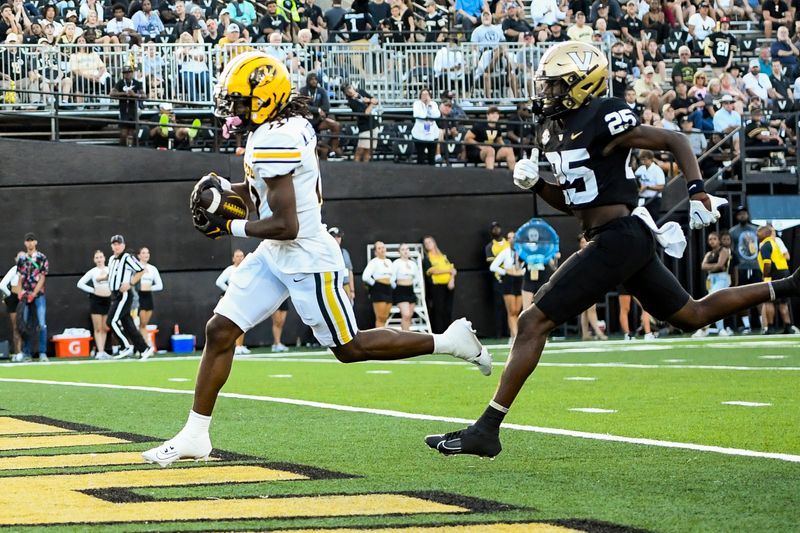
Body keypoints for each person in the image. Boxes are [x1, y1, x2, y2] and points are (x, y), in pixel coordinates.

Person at [426, 40, 800, 458]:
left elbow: (675, 140)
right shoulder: (551, 129)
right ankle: (789, 286)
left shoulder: (604, 114)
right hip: (611, 238)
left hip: (619, 236)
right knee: (692, 315)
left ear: (582, 85)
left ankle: (487, 429)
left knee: (532, 321)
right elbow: (572, 202)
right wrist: (538, 185)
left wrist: (697, 191)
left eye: (555, 86)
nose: (546, 93)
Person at [143, 51, 491, 467]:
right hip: (275, 254)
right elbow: (264, 192)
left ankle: (448, 341)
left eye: (239, 101)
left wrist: (229, 227)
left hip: (306, 256)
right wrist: (229, 193)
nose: (233, 110)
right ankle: (195, 434)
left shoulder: (275, 138)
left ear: (264, 99)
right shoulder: (278, 126)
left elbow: (285, 223)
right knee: (220, 330)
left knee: (350, 347)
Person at [107, 234, 153, 360]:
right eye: (114, 244)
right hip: (115, 295)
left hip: (124, 295)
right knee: (128, 324)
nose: (116, 246)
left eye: (118, 244)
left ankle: (125, 346)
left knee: (111, 321)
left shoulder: (127, 257)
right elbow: (112, 275)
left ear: (123, 245)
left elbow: (141, 270)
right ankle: (144, 349)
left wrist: (131, 283)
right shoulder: (111, 259)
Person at [757, 225, 799, 334]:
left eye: (759, 232)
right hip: (784, 272)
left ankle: (770, 327)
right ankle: (788, 326)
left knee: (769, 301)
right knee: (783, 302)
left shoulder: (766, 244)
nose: (757, 234)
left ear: (766, 233)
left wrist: (765, 275)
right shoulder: (775, 243)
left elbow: (767, 263)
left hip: (774, 274)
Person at [16, 233, 49, 362]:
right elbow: (19, 277)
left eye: (32, 241)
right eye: (27, 241)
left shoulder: (42, 258)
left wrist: (34, 293)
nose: (30, 243)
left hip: (38, 294)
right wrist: (20, 292)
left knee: (41, 323)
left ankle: (42, 353)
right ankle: (26, 352)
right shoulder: (22, 259)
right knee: (24, 324)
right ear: (25, 243)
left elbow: (42, 277)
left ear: (35, 242)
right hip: (24, 294)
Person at [728, 205, 761, 334]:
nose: (742, 216)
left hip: (756, 266)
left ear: (748, 215)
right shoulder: (732, 231)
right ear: (737, 216)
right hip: (740, 267)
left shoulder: (756, 229)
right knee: (743, 297)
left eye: (744, 213)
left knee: (760, 295)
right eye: (740, 214)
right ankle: (746, 325)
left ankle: (764, 323)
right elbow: (731, 250)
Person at [692, 232, 732, 337]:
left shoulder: (724, 250)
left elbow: (720, 265)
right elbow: (703, 266)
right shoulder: (709, 254)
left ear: (719, 240)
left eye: (714, 239)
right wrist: (715, 266)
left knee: (714, 302)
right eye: (710, 239)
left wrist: (711, 266)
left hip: (722, 278)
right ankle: (713, 329)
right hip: (711, 279)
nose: (712, 241)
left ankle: (712, 328)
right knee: (714, 304)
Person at [76, 250, 112, 359]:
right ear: (94, 260)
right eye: (97, 257)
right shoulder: (93, 272)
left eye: (101, 257)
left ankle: (103, 350)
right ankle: (100, 351)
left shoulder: (109, 270)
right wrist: (93, 290)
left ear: (104, 258)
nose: (99, 259)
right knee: (98, 327)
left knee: (105, 327)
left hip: (108, 300)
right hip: (96, 300)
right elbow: (80, 283)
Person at [489, 231, 524, 341]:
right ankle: (516, 336)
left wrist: (522, 271)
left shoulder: (523, 252)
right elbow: (493, 266)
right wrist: (505, 272)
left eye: (514, 237)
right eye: (510, 238)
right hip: (509, 280)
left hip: (520, 280)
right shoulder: (505, 252)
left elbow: (526, 265)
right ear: (508, 240)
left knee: (518, 310)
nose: (512, 239)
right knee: (512, 310)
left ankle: (513, 335)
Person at [215, 249, 250, 355]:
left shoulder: (247, 268)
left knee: (243, 322)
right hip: (233, 299)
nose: (240, 258)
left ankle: (240, 345)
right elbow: (219, 282)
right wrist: (229, 291)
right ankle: (233, 345)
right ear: (233, 258)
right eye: (237, 256)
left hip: (243, 298)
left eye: (242, 256)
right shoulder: (230, 270)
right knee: (232, 322)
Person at [299, 72, 342, 159]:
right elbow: (303, 106)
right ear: (308, 80)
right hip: (306, 122)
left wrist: (317, 111)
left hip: (318, 120)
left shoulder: (321, 91)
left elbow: (326, 107)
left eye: (315, 79)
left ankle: (333, 150)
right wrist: (318, 110)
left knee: (336, 126)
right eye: (312, 79)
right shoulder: (303, 90)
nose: (314, 81)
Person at [421, 235, 456, 334]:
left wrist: (451, 280)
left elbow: (453, 270)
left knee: (448, 310)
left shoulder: (443, 257)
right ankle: (439, 334)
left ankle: (449, 333)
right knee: (438, 310)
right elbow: (433, 271)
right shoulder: (427, 259)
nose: (428, 244)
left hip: (448, 286)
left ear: (434, 243)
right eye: (426, 243)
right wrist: (448, 270)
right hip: (436, 287)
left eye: (430, 242)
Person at [464, 106, 516, 170]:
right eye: (492, 113)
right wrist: (481, 146)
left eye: (497, 114)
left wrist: (504, 147)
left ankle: (515, 175)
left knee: (509, 150)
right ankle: (490, 176)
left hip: (491, 150)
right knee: (490, 150)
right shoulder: (480, 125)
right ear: (487, 115)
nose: (495, 115)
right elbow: (467, 138)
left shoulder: (497, 127)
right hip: (476, 151)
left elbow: (499, 140)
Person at [576, 234, 606, 340]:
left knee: (586, 310)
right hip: (583, 285)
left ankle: (585, 334)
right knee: (591, 308)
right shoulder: (579, 256)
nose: (584, 244)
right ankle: (598, 332)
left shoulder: (591, 254)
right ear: (580, 244)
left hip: (591, 283)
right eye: (582, 242)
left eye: (586, 242)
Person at [136, 247, 163, 350]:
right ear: (139, 255)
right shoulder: (136, 267)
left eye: (147, 253)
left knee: (144, 324)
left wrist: (149, 288)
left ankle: (145, 345)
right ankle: (145, 346)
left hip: (148, 297)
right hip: (138, 297)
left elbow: (160, 286)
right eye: (143, 253)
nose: (146, 255)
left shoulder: (152, 269)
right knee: (140, 324)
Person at [485, 221, 509, 338]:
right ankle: (499, 333)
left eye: (498, 227)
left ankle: (510, 332)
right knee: (499, 306)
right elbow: (492, 263)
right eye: (493, 228)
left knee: (512, 307)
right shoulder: (490, 247)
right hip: (498, 279)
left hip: (512, 279)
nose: (496, 230)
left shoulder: (509, 244)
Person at [344, 83, 379, 162]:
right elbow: (365, 113)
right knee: (360, 150)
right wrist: (371, 103)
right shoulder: (352, 102)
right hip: (364, 127)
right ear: (346, 93)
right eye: (347, 90)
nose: (350, 90)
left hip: (374, 124)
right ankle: (355, 169)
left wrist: (370, 101)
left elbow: (376, 101)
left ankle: (365, 169)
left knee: (369, 151)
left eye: (350, 88)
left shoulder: (362, 92)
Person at [362, 240, 394, 328]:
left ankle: (384, 339)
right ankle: (379, 341)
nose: (382, 250)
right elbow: (365, 277)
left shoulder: (389, 262)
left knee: (385, 317)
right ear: (375, 252)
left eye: (383, 247)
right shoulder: (374, 262)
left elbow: (393, 276)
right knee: (380, 318)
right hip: (379, 289)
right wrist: (376, 285)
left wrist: (392, 285)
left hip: (388, 289)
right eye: (379, 248)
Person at [110, 65, 143, 147]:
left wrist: (134, 95)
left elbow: (144, 95)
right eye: (125, 73)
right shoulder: (120, 83)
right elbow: (112, 94)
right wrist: (124, 94)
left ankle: (132, 151)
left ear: (132, 73)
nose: (127, 74)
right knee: (124, 134)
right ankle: (122, 150)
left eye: (129, 72)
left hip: (133, 110)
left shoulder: (137, 83)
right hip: (123, 110)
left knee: (133, 133)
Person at [1, 251, 24, 361]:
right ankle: (18, 351)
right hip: (14, 299)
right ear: (15, 259)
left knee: (25, 325)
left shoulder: (30, 269)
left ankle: (26, 351)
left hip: (26, 298)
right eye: (19, 258)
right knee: (16, 327)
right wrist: (10, 295)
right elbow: (2, 285)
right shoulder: (14, 270)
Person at [391, 243, 420, 331]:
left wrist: (412, 284)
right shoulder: (396, 263)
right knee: (406, 314)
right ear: (399, 252)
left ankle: (407, 336)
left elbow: (417, 278)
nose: (405, 251)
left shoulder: (413, 264)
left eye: (407, 249)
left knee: (409, 316)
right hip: (401, 290)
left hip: (410, 290)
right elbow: (392, 279)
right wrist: (397, 288)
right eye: (403, 249)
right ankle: (404, 337)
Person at [411, 88, 440, 165]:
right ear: (420, 96)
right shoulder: (417, 104)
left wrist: (428, 105)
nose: (425, 96)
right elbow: (417, 114)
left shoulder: (433, 104)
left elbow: (437, 115)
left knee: (431, 157)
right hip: (419, 134)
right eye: (423, 94)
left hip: (432, 134)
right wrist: (427, 115)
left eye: (426, 94)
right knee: (420, 157)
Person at [634, 149, 665, 219]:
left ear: (650, 159)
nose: (642, 161)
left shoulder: (657, 170)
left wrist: (647, 187)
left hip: (653, 199)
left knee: (653, 220)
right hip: (641, 198)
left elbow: (661, 187)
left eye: (644, 159)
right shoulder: (640, 169)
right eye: (641, 159)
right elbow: (635, 180)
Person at [328, 227, 355, 302]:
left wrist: (352, 290)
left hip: (346, 286)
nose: (337, 239)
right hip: (332, 287)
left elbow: (350, 271)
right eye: (334, 237)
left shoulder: (345, 252)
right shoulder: (325, 253)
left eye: (339, 237)